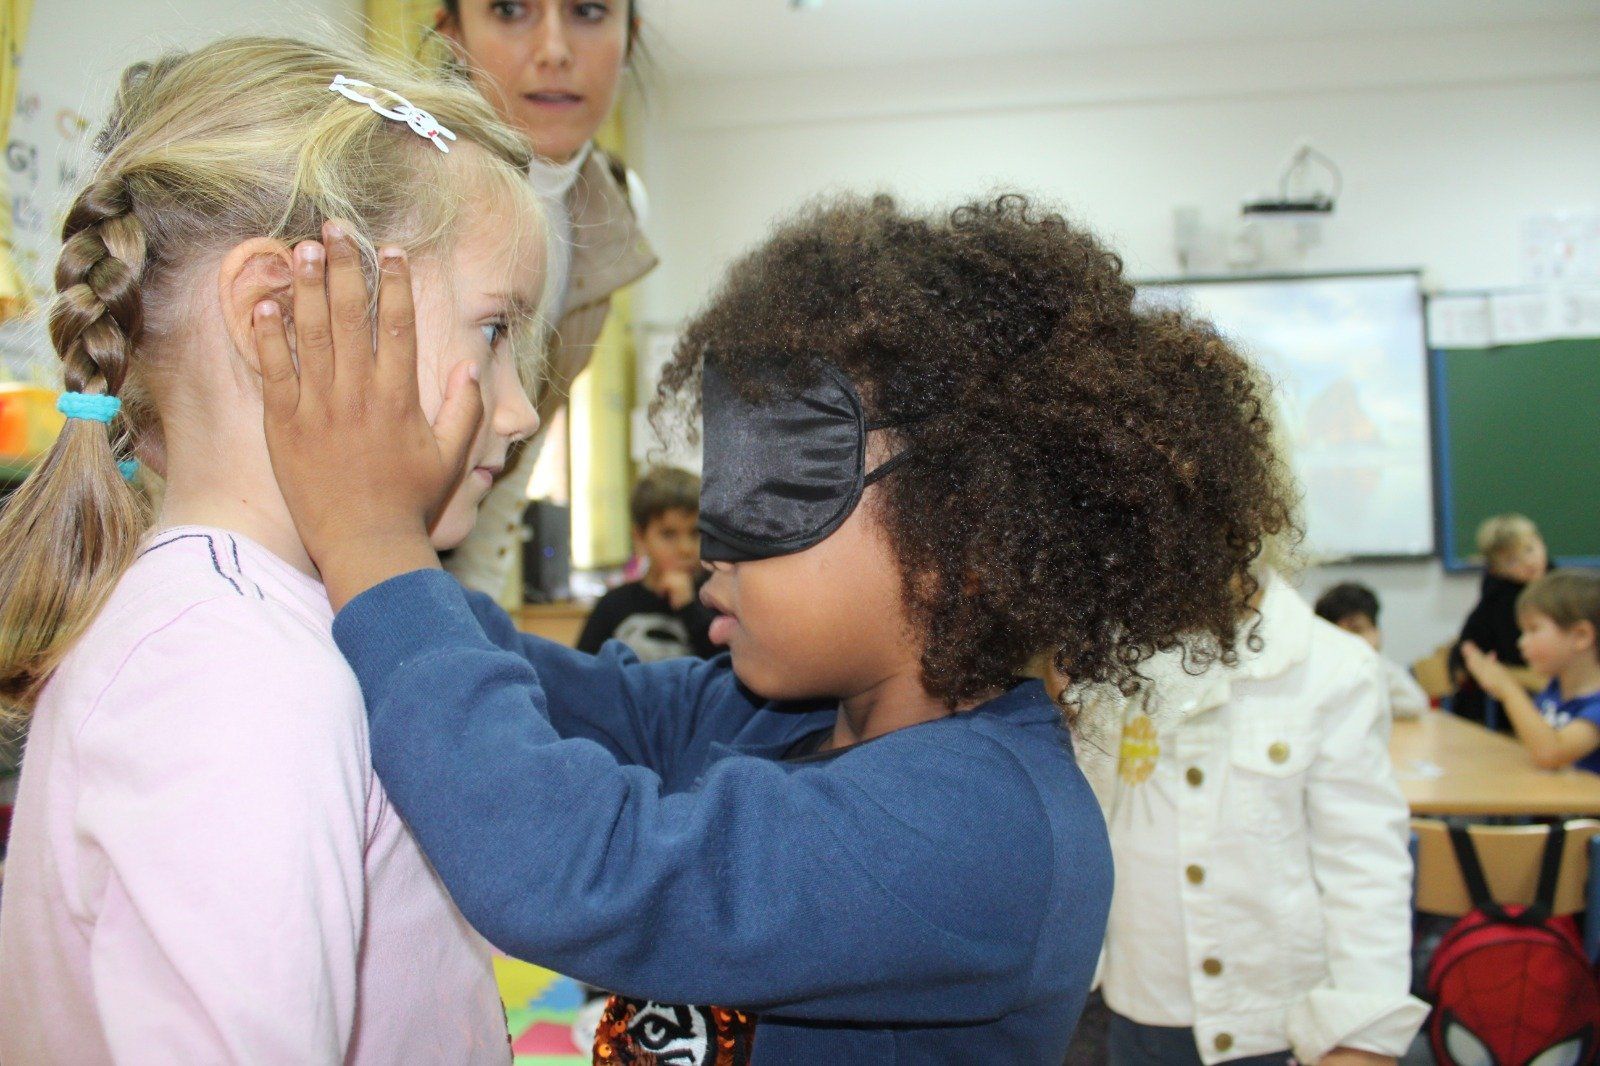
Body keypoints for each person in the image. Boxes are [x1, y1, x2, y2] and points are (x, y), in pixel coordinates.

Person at [252, 193, 1297, 1064]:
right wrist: (337, 526)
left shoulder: (988, 831)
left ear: (959, 536)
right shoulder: (767, 711)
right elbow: (514, 684)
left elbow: (572, 863)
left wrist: (373, 543)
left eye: (776, 490)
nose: (717, 546)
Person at [0, 38, 547, 1062]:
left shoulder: (261, 626)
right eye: (492, 331)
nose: (517, 411)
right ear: (278, 314)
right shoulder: (232, 674)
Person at [1082, 571, 1428, 1066]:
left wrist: (1363, 1031)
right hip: (1141, 1003)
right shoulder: (1110, 658)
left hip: (1278, 1020)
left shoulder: (1332, 665)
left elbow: (1362, 860)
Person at [437, 0, 658, 603]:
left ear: (629, 38)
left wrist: (477, 607)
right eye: (511, 10)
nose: (555, 50)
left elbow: (521, 442)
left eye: (587, 10)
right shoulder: (389, 181)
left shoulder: (616, 204)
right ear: (452, 34)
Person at [1461, 570, 1600, 773]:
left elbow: (1550, 753)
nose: (1521, 642)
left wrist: (1507, 689)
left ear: (1581, 636)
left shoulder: (1596, 706)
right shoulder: (1554, 691)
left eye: (1533, 629)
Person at [577, 466, 716, 660]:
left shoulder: (718, 598)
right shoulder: (614, 605)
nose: (685, 548)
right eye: (668, 534)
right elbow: (583, 670)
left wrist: (688, 607)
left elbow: (727, 666)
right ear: (640, 539)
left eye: (695, 533)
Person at [1450, 513, 1549, 728]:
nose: (1528, 561)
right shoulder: (1497, 601)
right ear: (1496, 569)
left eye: (1530, 549)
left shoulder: (1562, 588)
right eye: (1512, 560)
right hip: (1507, 704)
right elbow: (1468, 650)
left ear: (1541, 542)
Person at [1314, 581, 1428, 718]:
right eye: (1338, 634)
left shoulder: (1381, 666)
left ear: (1376, 632)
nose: (1348, 642)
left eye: (1356, 630)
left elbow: (1416, 704)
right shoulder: (1316, 670)